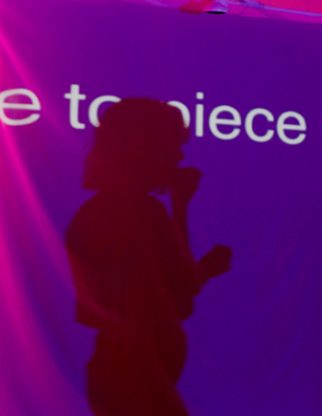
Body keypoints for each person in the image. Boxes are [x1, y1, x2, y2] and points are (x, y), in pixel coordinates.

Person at [66, 98, 231, 416]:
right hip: (138, 377)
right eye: (173, 145)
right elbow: (180, 294)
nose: (180, 156)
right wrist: (180, 210)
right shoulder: (138, 214)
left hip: (122, 373)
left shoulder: (96, 213)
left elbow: (168, 292)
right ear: (148, 148)